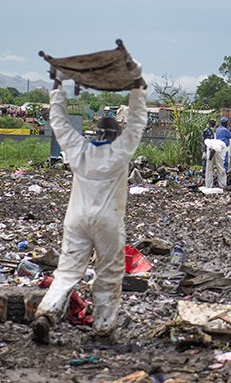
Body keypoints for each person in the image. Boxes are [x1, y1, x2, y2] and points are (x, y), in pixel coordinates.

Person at [33, 76, 148, 344]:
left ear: (96, 133)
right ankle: (103, 329)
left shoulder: (78, 150)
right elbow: (137, 122)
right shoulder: (122, 152)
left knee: (66, 270)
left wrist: (58, 89)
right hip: (108, 220)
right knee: (108, 274)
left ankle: (47, 313)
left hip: (76, 218)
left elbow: (59, 122)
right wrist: (136, 88)